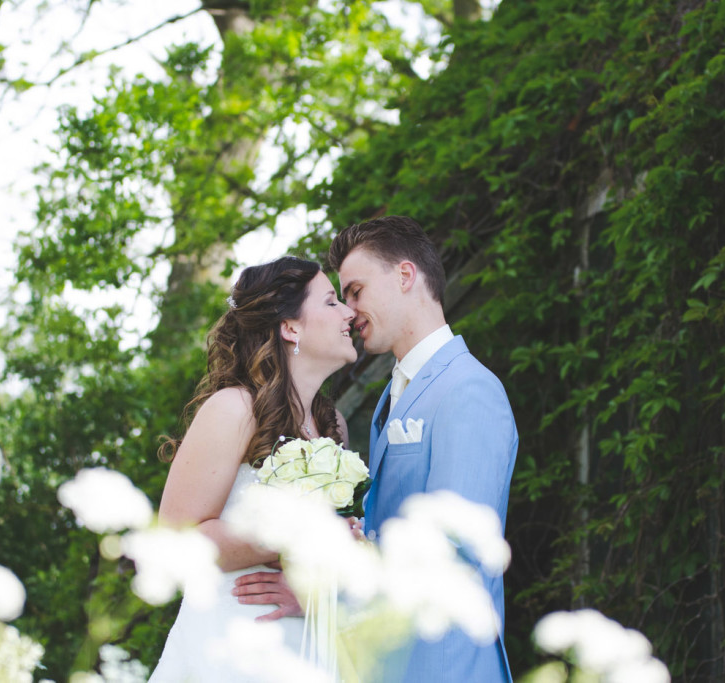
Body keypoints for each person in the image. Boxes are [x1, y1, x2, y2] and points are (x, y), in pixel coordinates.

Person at [235, 215, 519, 681]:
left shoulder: (469, 389)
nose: (348, 312)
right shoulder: (394, 394)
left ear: (405, 276)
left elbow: (457, 546)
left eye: (355, 291)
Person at [148, 256, 357, 682]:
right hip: (231, 643)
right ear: (290, 327)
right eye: (331, 302)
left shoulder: (334, 425)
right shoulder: (234, 409)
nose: (349, 313)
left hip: (309, 646)